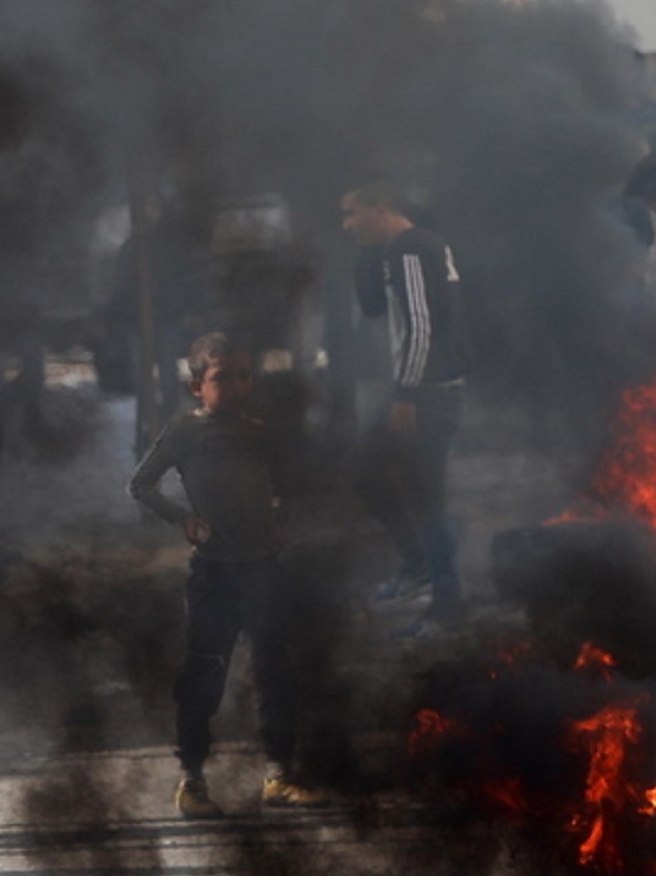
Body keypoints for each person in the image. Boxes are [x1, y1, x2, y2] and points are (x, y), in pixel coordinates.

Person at [130, 334, 331, 816]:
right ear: (198, 385)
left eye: (245, 376)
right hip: (214, 573)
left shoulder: (262, 432)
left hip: (263, 569)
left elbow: (290, 487)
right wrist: (185, 521)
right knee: (204, 673)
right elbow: (141, 483)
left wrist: (283, 522)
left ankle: (280, 774)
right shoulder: (185, 431)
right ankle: (192, 782)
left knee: (274, 671)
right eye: (223, 377)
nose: (238, 386)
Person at [341, 181, 472, 635]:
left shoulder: (411, 251)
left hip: (429, 393)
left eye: (353, 213)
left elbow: (420, 326)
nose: (348, 225)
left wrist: (406, 393)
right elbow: (379, 310)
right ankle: (419, 567)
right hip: (424, 388)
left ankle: (447, 603)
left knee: (427, 496)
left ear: (380, 208)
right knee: (363, 468)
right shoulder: (404, 250)